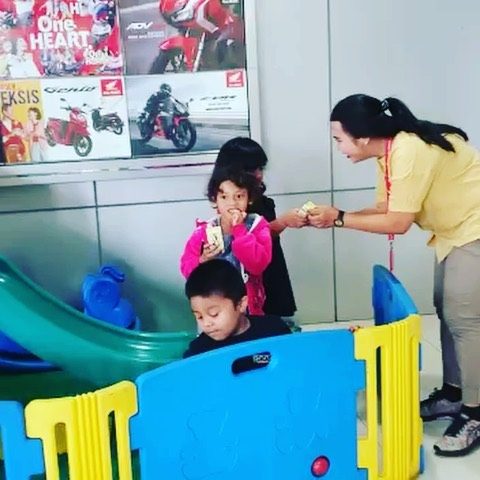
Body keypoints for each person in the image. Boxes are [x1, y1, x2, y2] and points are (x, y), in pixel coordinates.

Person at [308, 93, 480, 457]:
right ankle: (453, 394)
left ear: (362, 137)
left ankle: (475, 412)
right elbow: (387, 207)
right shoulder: (386, 154)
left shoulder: (409, 149)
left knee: (465, 319)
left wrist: (339, 220)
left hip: (474, 226)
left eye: (339, 139)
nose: (339, 148)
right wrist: (335, 214)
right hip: (453, 231)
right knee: (445, 307)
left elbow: (398, 223)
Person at [214, 137, 307, 326]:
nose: (258, 175)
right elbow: (251, 238)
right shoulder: (235, 206)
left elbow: (264, 236)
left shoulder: (260, 199)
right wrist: (283, 222)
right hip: (251, 276)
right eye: (250, 170)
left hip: (271, 266)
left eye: (260, 168)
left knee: (276, 320)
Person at [180, 167, 272, 316]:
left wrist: (240, 230)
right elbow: (186, 269)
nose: (232, 203)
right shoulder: (203, 231)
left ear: (249, 199)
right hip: (212, 306)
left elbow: (257, 265)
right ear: (214, 200)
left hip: (247, 305)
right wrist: (202, 260)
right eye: (224, 197)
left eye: (239, 196)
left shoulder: (257, 226)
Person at [183, 259, 291, 358]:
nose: (206, 324)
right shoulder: (199, 351)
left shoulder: (274, 330)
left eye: (214, 314)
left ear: (241, 304)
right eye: (199, 317)